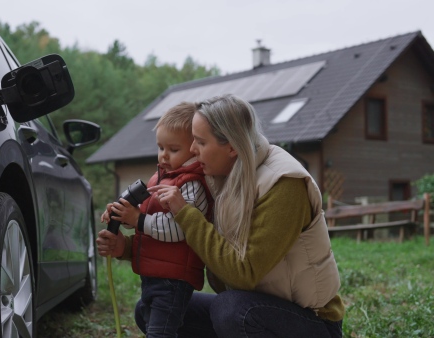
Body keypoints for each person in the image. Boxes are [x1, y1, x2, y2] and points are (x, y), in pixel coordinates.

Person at [97, 94, 345, 338]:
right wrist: (126, 247)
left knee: (231, 311)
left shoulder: (284, 185)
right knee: (150, 310)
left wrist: (186, 213)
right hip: (253, 306)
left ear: (232, 147)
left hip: (310, 321)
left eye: (201, 142)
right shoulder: (221, 176)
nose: (192, 150)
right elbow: (188, 243)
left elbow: (244, 274)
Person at [99, 102, 213, 338]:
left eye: (173, 149)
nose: (163, 155)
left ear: (194, 149)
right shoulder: (159, 179)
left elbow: (179, 228)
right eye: (160, 147)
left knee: (160, 333)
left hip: (174, 280)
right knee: (157, 326)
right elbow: (146, 217)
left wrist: (137, 219)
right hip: (154, 275)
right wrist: (124, 216)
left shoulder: (190, 185)